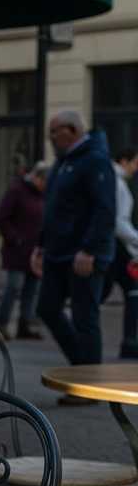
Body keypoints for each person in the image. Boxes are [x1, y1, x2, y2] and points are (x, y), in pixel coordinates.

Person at [31, 111, 116, 401]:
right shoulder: (63, 163)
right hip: (57, 254)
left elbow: (105, 209)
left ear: (72, 130)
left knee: (85, 318)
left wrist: (91, 250)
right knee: (47, 308)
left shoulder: (95, 160)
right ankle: (82, 371)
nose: (50, 138)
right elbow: (53, 208)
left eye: (54, 132)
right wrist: (40, 246)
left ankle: (89, 387)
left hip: (82, 256)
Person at [0, 161, 48, 340]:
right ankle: (1, 324)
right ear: (37, 177)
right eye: (45, 182)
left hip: (35, 252)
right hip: (17, 250)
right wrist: (15, 238)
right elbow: (1, 217)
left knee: (32, 289)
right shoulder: (17, 190)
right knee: (13, 287)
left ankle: (25, 325)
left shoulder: (42, 194)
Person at [104, 146, 138, 358]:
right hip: (116, 248)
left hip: (113, 247)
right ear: (124, 161)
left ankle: (130, 341)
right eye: (135, 162)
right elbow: (119, 222)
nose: (136, 167)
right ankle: (129, 342)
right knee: (133, 292)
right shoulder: (118, 184)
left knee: (129, 292)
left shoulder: (112, 180)